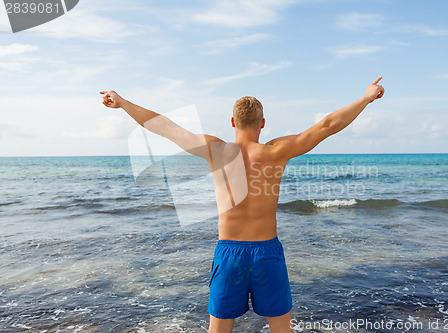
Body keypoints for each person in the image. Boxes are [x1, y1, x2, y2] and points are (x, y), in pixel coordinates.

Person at [100, 77, 384, 333]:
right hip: (267, 252)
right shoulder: (277, 152)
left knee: (219, 330)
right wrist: (365, 98)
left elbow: (164, 127)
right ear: (262, 123)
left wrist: (123, 103)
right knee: (282, 329)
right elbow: (328, 126)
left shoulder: (217, 151)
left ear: (233, 122)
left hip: (229, 253)